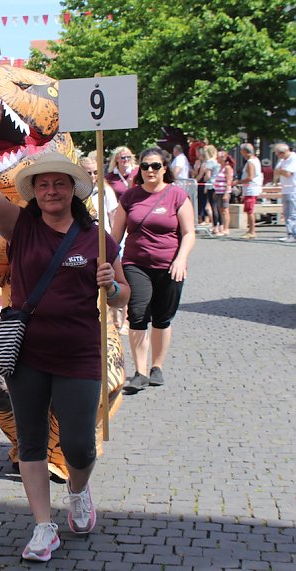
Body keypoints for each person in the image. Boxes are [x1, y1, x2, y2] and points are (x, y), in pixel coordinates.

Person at [0, 99, 130, 562]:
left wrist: (112, 285)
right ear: (33, 191)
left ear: (73, 189)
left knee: (80, 445)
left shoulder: (97, 237)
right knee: (32, 441)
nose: (51, 190)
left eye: (60, 183)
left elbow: (123, 296)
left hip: (80, 353)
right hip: (28, 354)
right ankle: (43, 526)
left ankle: (78, 491)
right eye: (43, 184)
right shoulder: (20, 226)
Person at [111, 148, 195, 394]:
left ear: (164, 168)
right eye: (146, 166)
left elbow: (189, 233)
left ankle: (157, 366)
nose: (150, 170)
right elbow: (115, 236)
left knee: (162, 317)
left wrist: (181, 259)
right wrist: (104, 259)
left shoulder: (177, 195)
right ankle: (140, 372)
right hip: (135, 264)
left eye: (155, 166)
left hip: (169, 265)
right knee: (137, 315)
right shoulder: (130, 197)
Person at [79, 157, 118, 234]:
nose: (93, 176)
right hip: (83, 235)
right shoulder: (76, 192)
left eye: (95, 172)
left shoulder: (106, 190)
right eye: (89, 173)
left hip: (103, 235)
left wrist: (113, 237)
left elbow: (113, 216)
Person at [235, 143, 263, 240]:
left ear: (245, 152)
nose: (241, 152)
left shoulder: (251, 162)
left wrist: (238, 182)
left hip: (251, 189)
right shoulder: (255, 160)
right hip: (251, 188)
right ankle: (250, 230)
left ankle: (252, 231)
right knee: (248, 210)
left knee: (249, 210)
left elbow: (250, 177)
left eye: (242, 151)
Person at [273, 143, 296, 243]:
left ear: (283, 152)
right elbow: (276, 171)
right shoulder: (282, 160)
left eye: (278, 154)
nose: (277, 156)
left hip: (293, 189)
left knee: (292, 213)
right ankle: (290, 233)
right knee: (287, 213)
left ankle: (293, 235)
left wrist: (280, 171)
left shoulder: (293, 158)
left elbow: (287, 173)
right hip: (286, 189)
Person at [213, 151, 235, 236]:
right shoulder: (220, 167)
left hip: (224, 192)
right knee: (221, 210)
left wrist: (226, 193)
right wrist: (216, 191)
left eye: (218, 157)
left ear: (223, 158)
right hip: (218, 191)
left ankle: (226, 229)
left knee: (225, 210)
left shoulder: (227, 168)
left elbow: (229, 181)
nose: (217, 159)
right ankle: (222, 227)